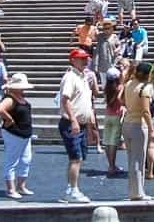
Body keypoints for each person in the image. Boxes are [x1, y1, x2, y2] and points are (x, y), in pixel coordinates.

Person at [58, 48, 94, 203]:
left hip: (82, 123)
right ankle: (73, 190)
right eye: (81, 58)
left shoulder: (84, 76)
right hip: (72, 123)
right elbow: (65, 99)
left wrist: (90, 126)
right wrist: (73, 120)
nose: (85, 60)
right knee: (75, 158)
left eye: (86, 58)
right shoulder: (70, 77)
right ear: (72, 60)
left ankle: (71, 188)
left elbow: (87, 101)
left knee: (79, 158)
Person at [0, 73, 35, 199]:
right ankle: (11, 189)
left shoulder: (19, 97)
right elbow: (0, 109)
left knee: (26, 160)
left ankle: (21, 186)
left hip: (25, 134)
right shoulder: (10, 98)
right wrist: (9, 119)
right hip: (14, 133)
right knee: (12, 161)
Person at [122, 61, 154, 201]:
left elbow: (122, 100)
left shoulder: (129, 84)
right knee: (138, 160)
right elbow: (146, 111)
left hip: (127, 123)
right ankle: (138, 193)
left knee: (131, 159)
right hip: (138, 125)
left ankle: (133, 191)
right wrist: (152, 129)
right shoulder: (145, 88)